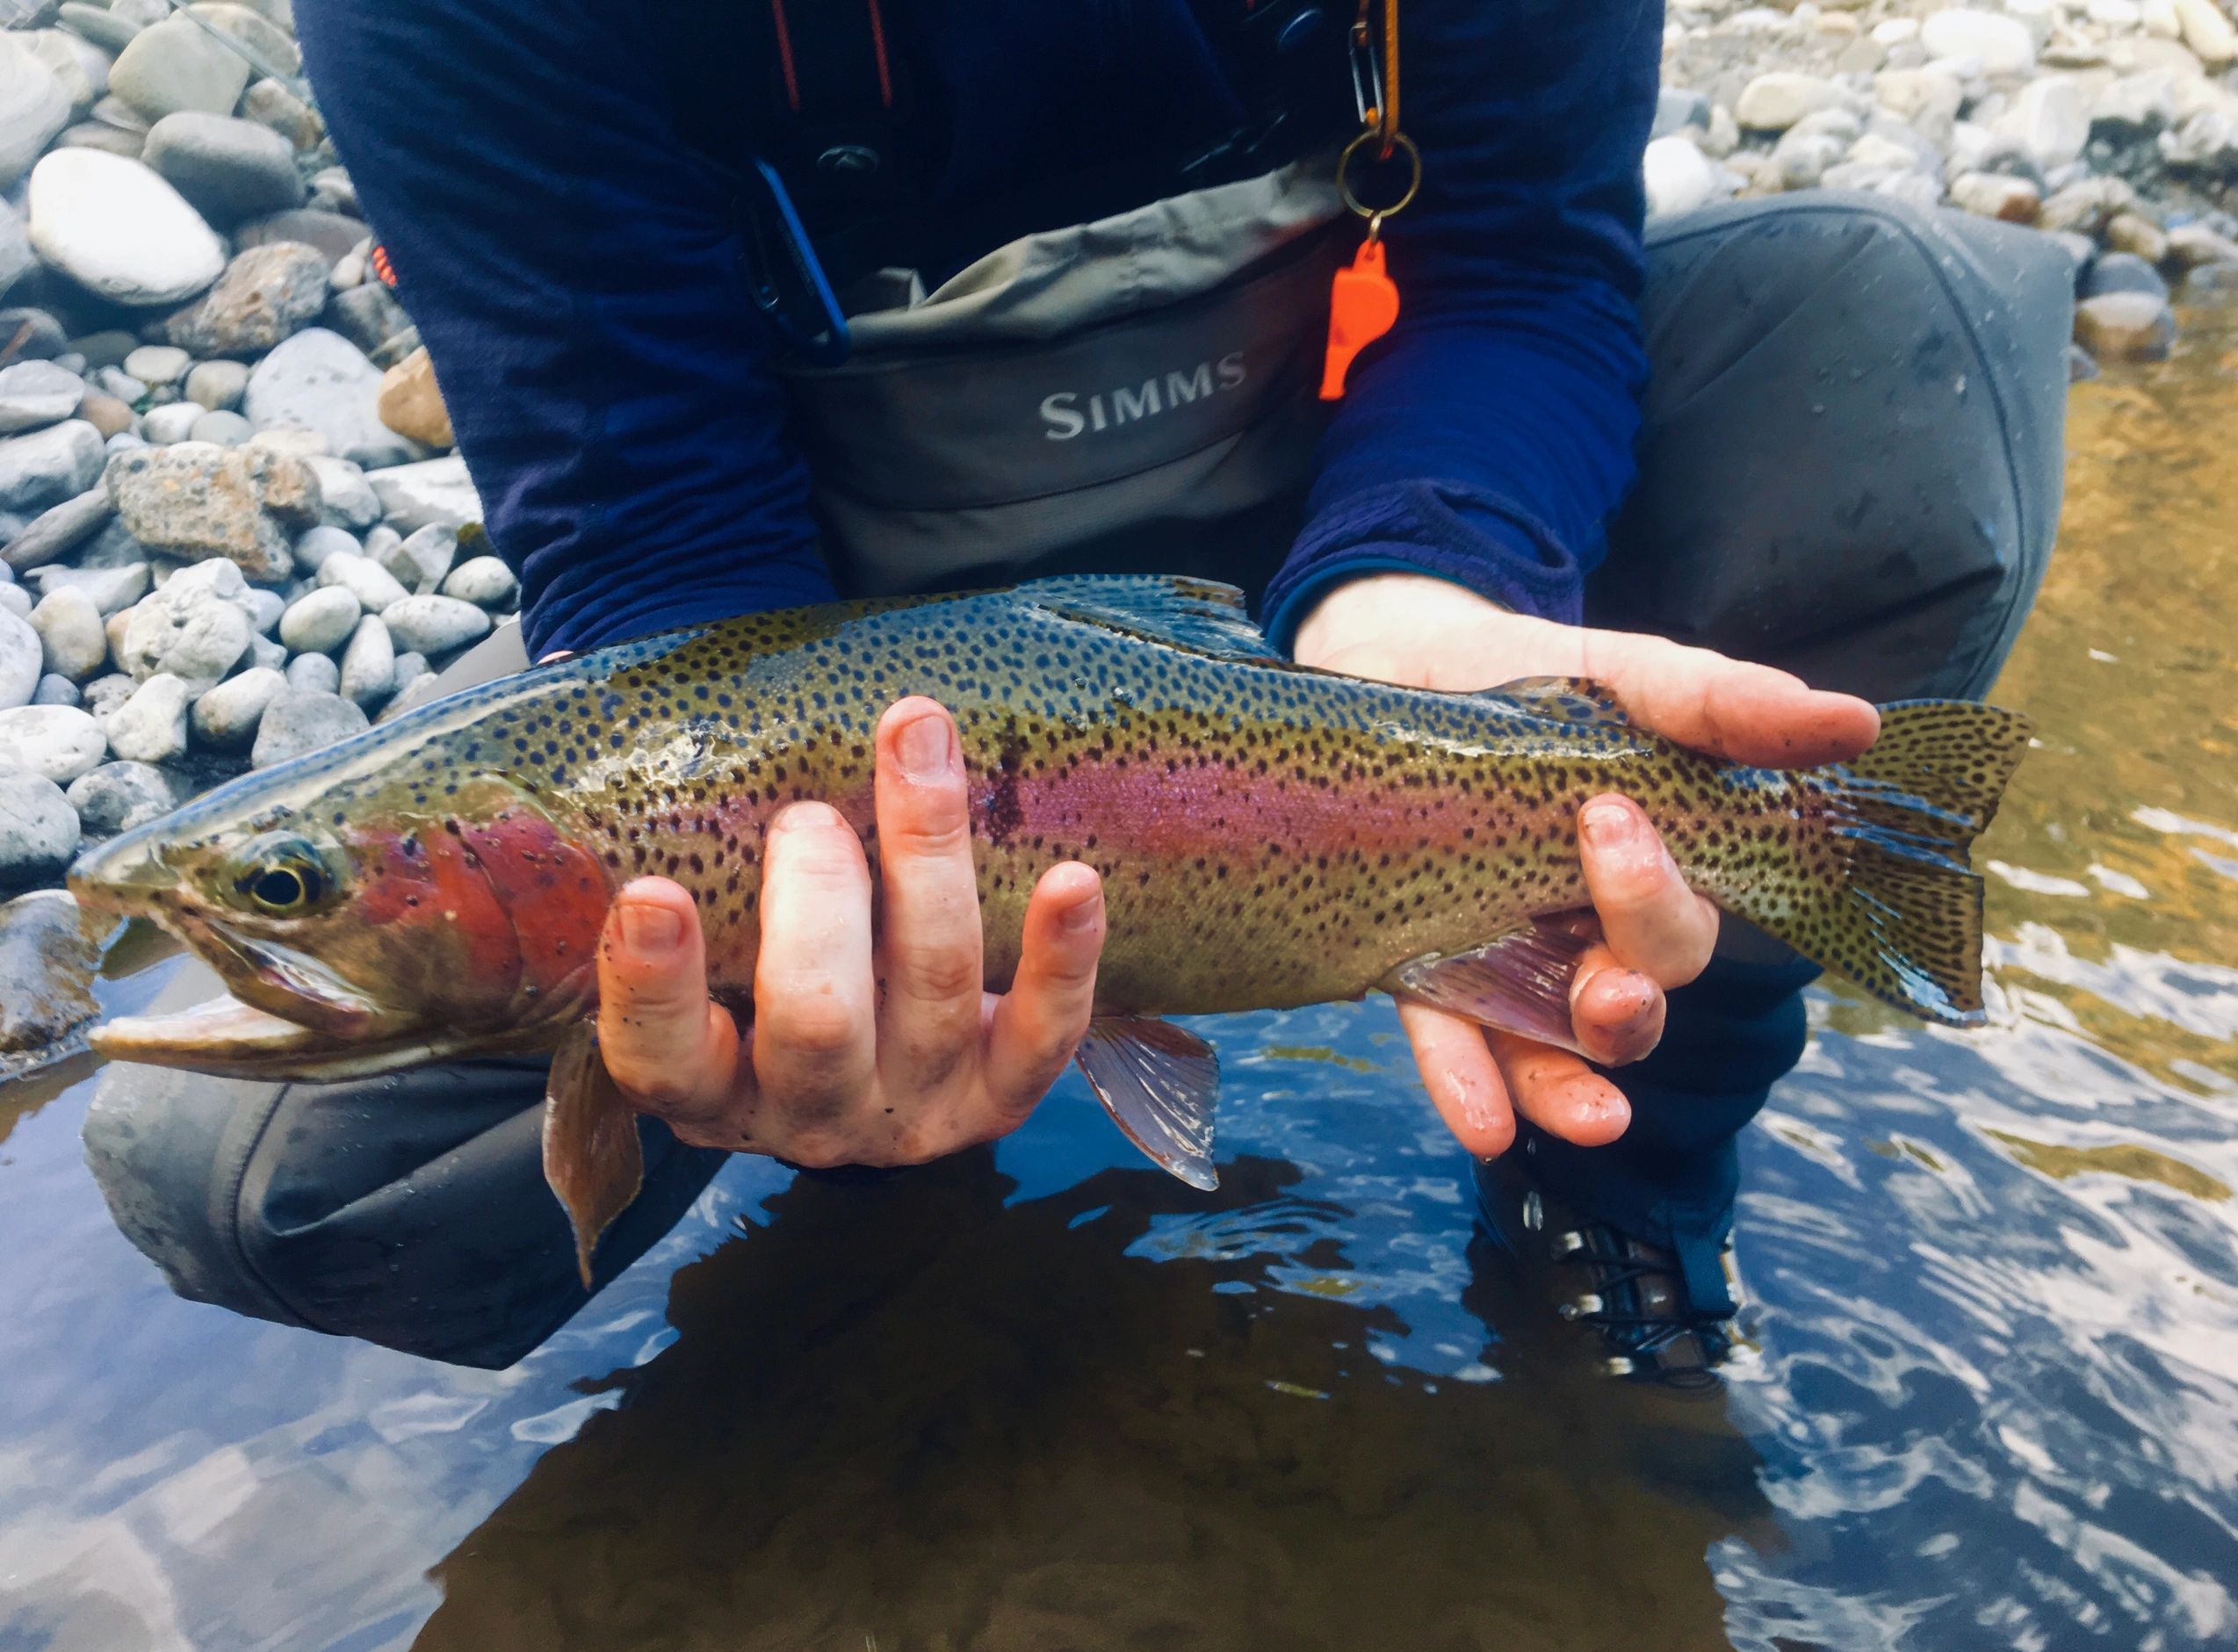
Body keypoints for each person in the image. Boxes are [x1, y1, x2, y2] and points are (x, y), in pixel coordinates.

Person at [83, 0, 2070, 1381]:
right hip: (825, 612)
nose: (280, 909)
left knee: (1893, 349)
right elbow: (659, 544)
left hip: (1356, 525)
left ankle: (1607, 1193)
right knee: (238, 1176)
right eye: (295, 892)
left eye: (288, 894)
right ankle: (880, 1150)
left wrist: (1434, 593)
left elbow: (1527, 269)